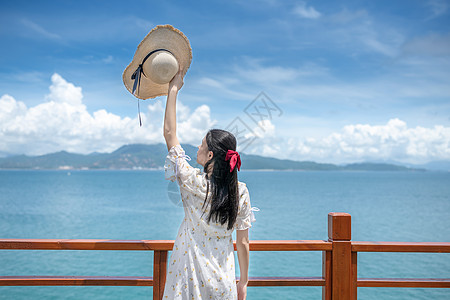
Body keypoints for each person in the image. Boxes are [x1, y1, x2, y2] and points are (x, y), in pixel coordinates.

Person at [162, 70, 256, 299]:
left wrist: (173, 89)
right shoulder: (240, 191)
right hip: (222, 280)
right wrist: (243, 282)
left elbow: (169, 133)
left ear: (211, 154)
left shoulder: (192, 181)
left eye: (201, 145)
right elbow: (242, 243)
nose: (197, 147)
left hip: (188, 278)